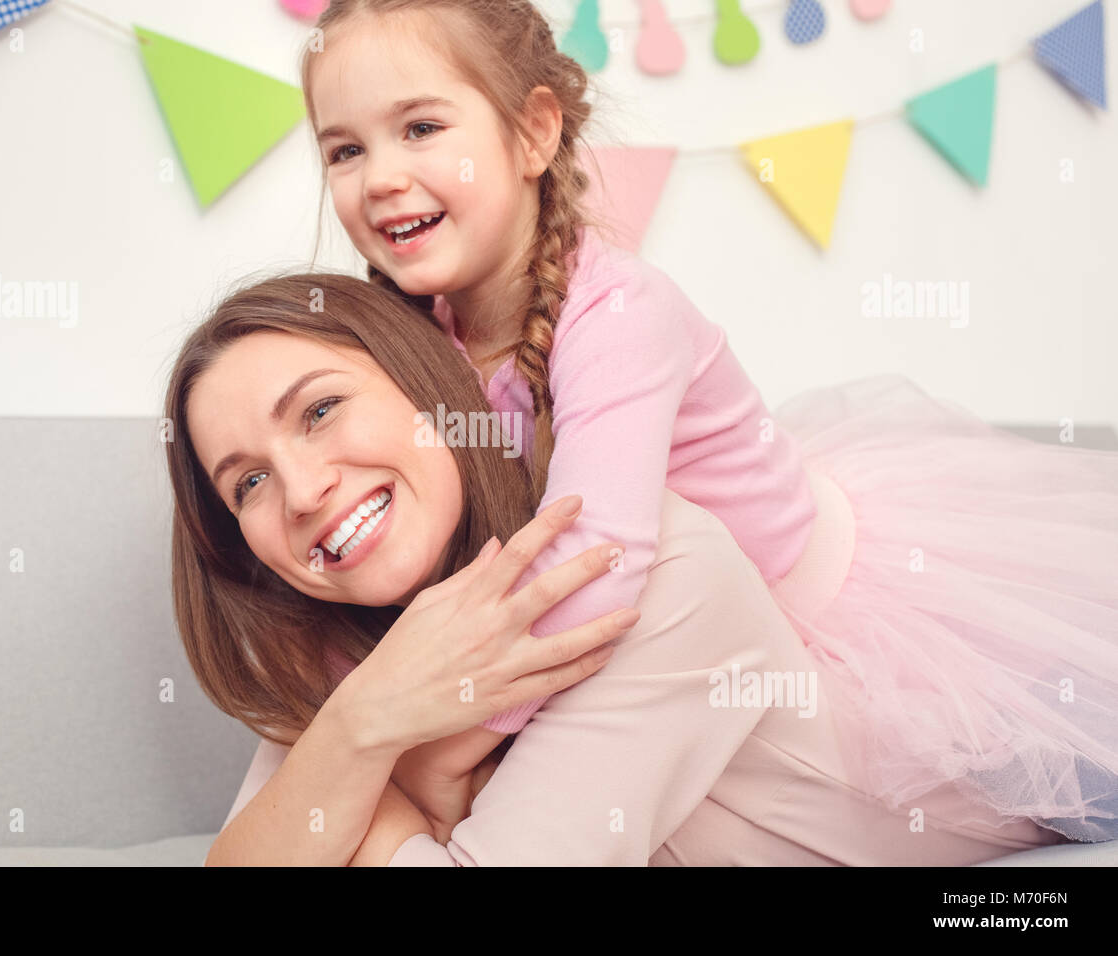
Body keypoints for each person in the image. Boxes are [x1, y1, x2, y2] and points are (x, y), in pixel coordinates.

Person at [297, 0, 1118, 840]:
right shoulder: (411, 348)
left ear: (534, 134)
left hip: (816, 631)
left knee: (1032, 775)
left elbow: (598, 563)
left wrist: (452, 742)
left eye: (422, 127)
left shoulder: (617, 314)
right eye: (346, 150)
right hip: (672, 668)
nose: (382, 176)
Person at [167, 272, 1068, 865]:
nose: (301, 489)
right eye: (246, 482)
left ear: (433, 386)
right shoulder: (358, 654)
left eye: (320, 411)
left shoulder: (656, 567)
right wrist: (364, 725)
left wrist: (401, 794)